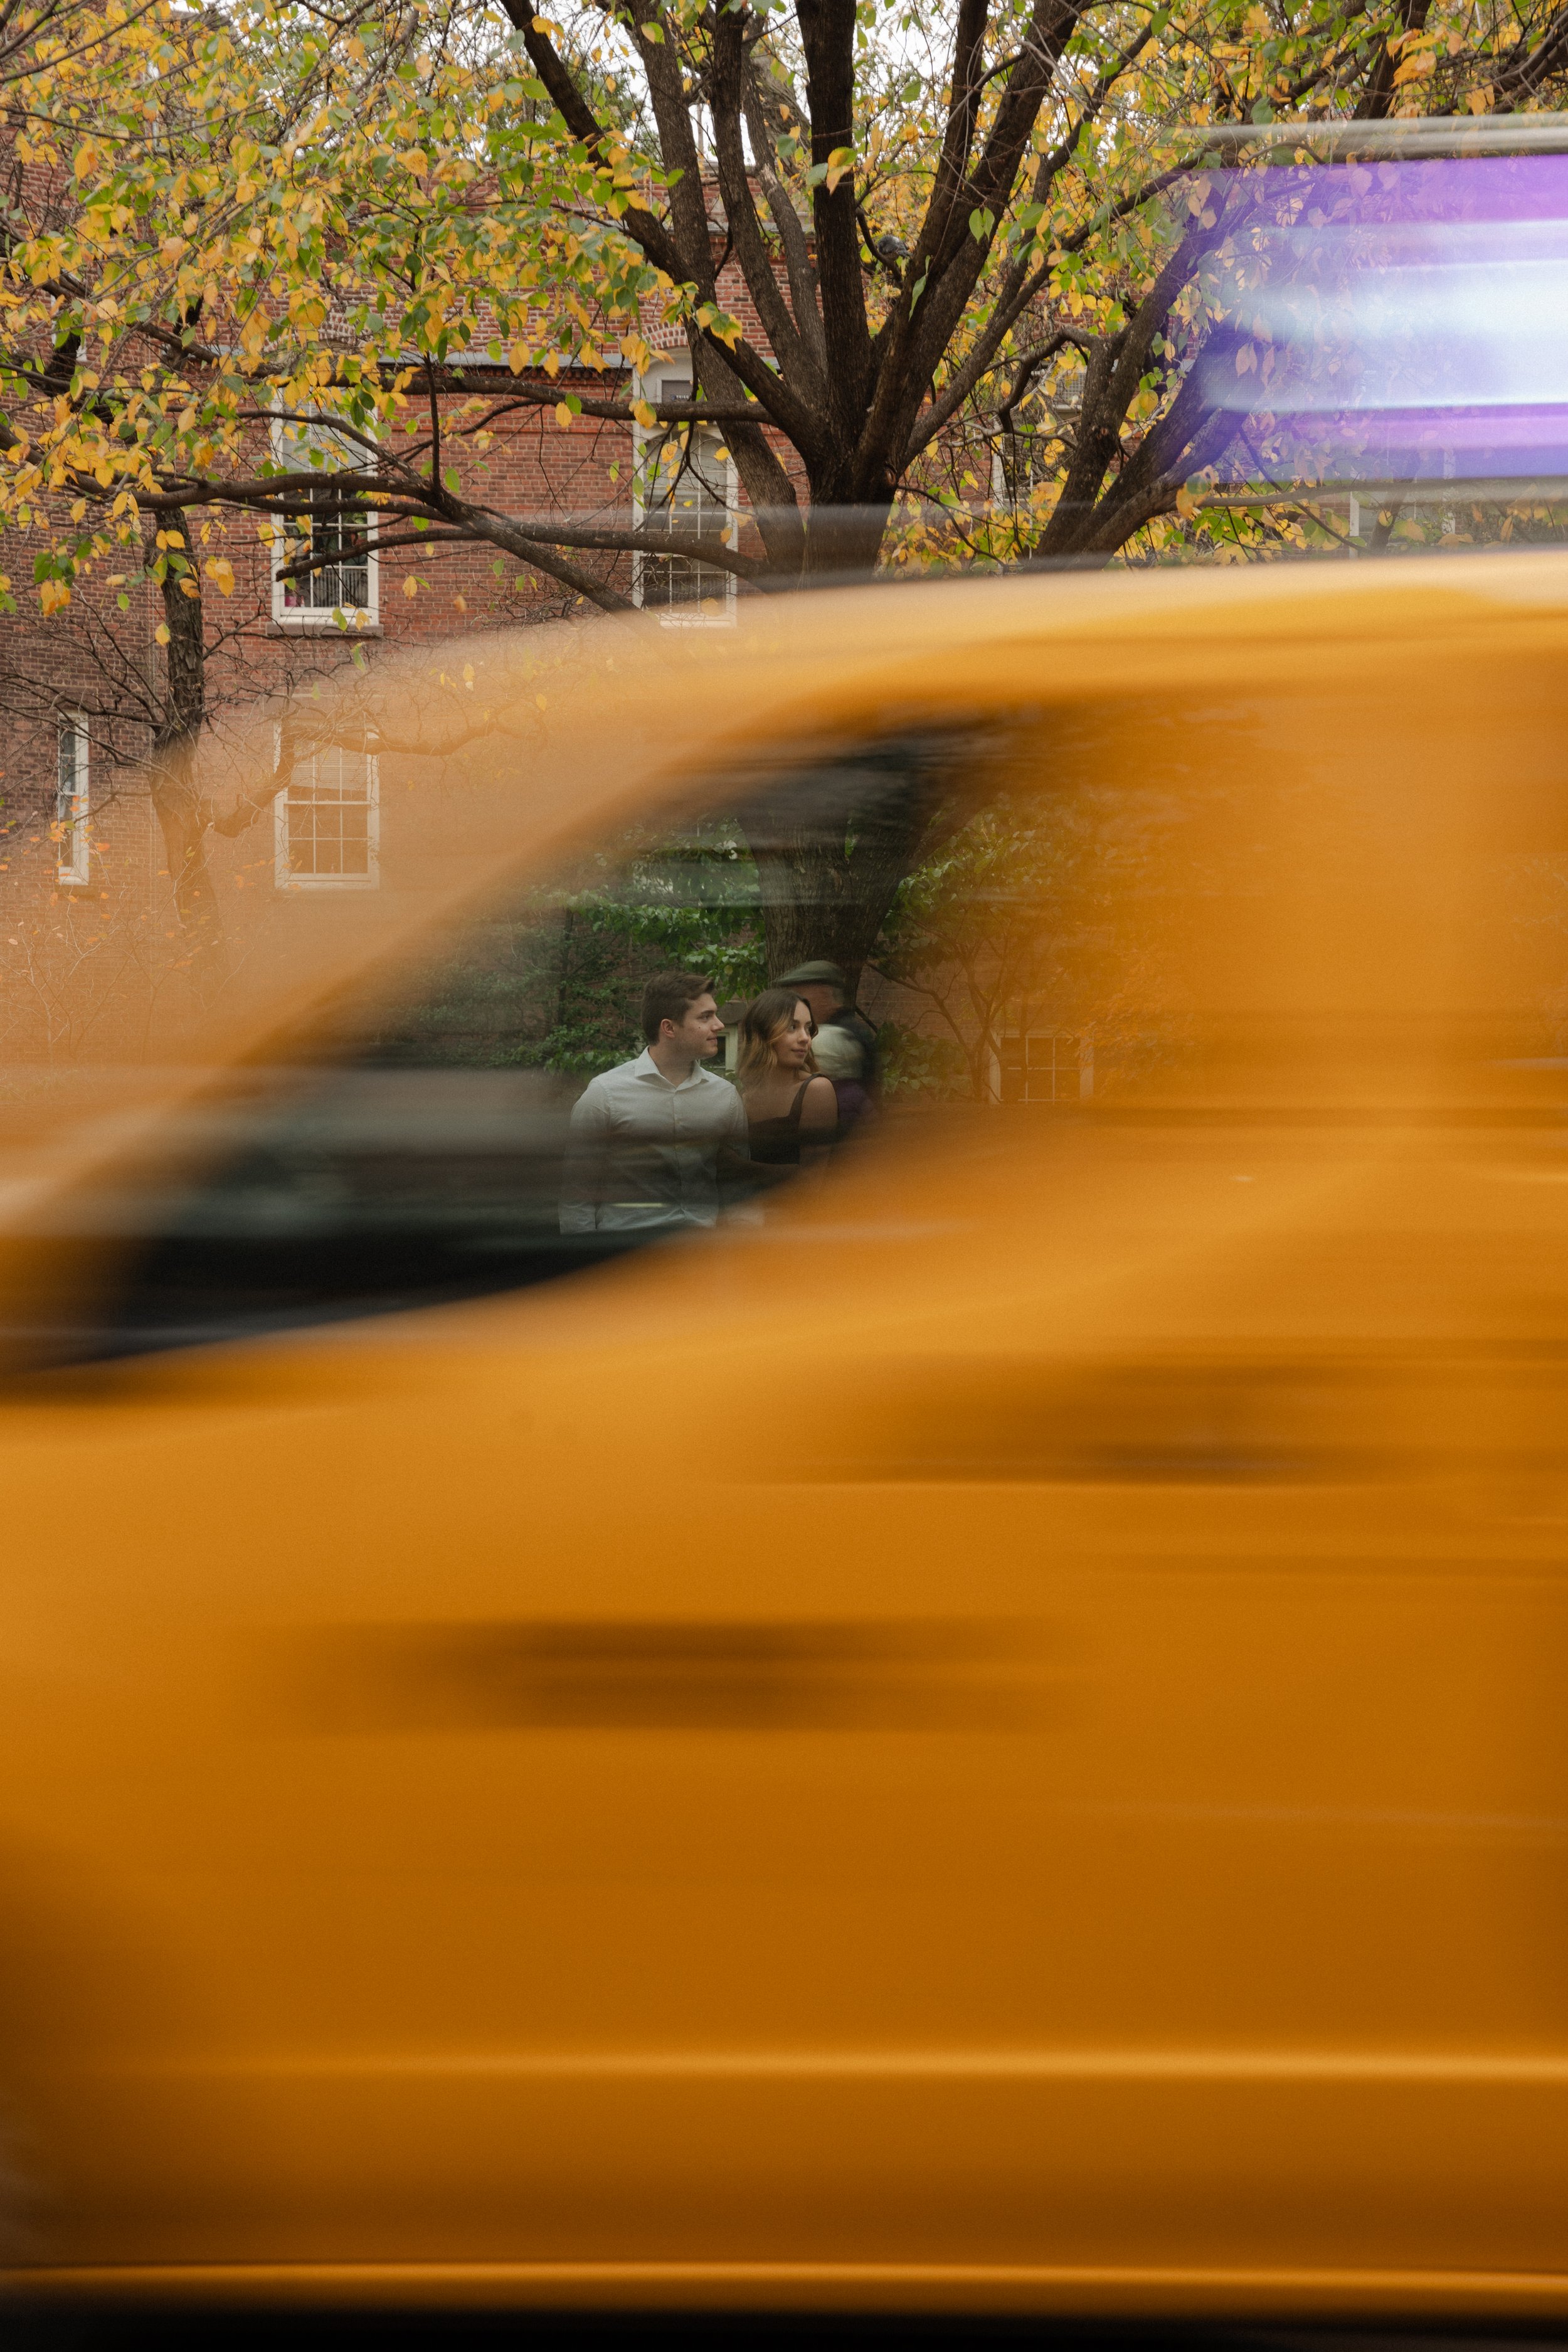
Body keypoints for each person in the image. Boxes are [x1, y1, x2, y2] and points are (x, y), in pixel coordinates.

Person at [559, 971, 748, 1234]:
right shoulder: (605, 1095)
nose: (718, 1025)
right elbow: (577, 1194)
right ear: (669, 1028)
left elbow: (738, 1186)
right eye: (705, 1017)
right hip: (627, 1249)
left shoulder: (725, 1096)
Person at [735, 986, 839, 1180]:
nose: (805, 1038)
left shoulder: (816, 1090)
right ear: (764, 1032)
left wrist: (737, 1166)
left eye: (808, 1028)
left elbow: (811, 1181)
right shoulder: (743, 1095)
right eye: (792, 1027)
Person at [775, 959, 881, 1101]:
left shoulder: (832, 1038)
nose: (795, 1003)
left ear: (824, 995)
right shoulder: (849, 1029)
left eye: (801, 994)